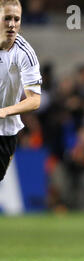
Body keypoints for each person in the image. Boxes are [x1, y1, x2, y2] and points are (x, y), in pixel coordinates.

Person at [0, 0, 42, 182]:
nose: (12, 24)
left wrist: (4, 111)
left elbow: (34, 100)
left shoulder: (24, 53)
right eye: (6, 18)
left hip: (5, 133)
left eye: (16, 19)